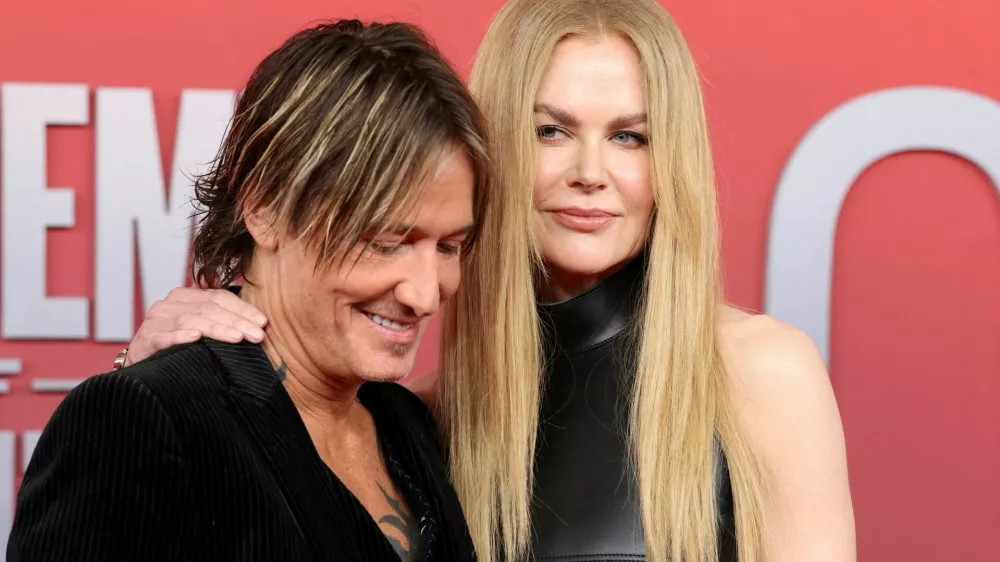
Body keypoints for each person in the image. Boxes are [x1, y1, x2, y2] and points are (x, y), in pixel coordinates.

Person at [110, 0, 857, 561]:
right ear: (487, 150)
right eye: (550, 131)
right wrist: (168, 360)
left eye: (630, 136)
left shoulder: (759, 374)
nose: (590, 174)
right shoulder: (416, 418)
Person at [7, 20, 493, 562]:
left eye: (449, 247)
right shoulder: (145, 419)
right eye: (385, 242)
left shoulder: (407, 424)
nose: (426, 296)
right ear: (265, 207)